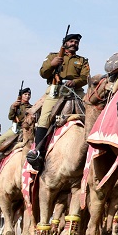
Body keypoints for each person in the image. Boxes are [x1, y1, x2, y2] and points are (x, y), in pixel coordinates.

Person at [26, 33, 91, 172]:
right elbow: (43, 72)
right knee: (45, 118)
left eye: (76, 42)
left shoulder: (82, 60)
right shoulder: (52, 56)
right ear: (65, 43)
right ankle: (38, 153)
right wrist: (52, 64)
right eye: (71, 41)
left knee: (90, 112)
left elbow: (86, 77)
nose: (74, 43)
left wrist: (75, 81)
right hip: (56, 89)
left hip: (76, 90)